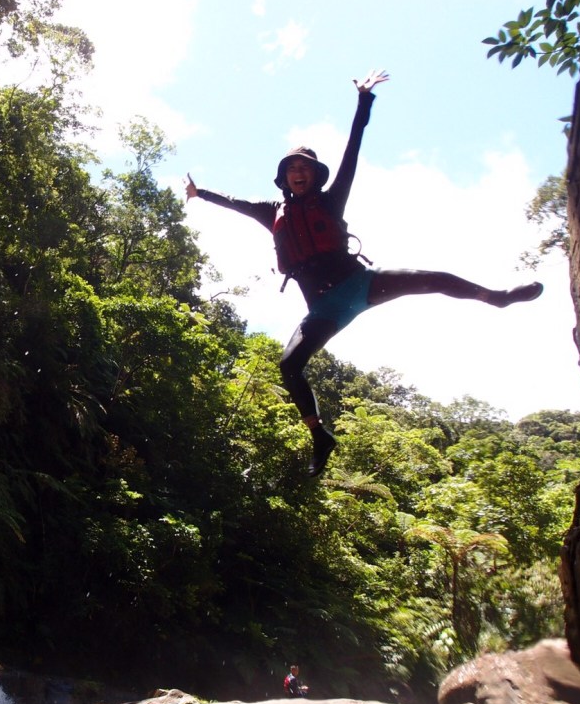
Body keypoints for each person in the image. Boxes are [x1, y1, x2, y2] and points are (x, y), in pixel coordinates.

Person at [185, 70, 544, 477]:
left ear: (314, 175)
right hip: (324, 308)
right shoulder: (273, 213)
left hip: (362, 284)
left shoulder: (331, 198)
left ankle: (496, 296)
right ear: (284, 178)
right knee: (288, 367)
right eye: (291, 169)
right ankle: (320, 436)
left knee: (434, 278)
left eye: (305, 167)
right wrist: (201, 195)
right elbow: (236, 203)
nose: (298, 172)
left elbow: (352, 150)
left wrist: (364, 101)